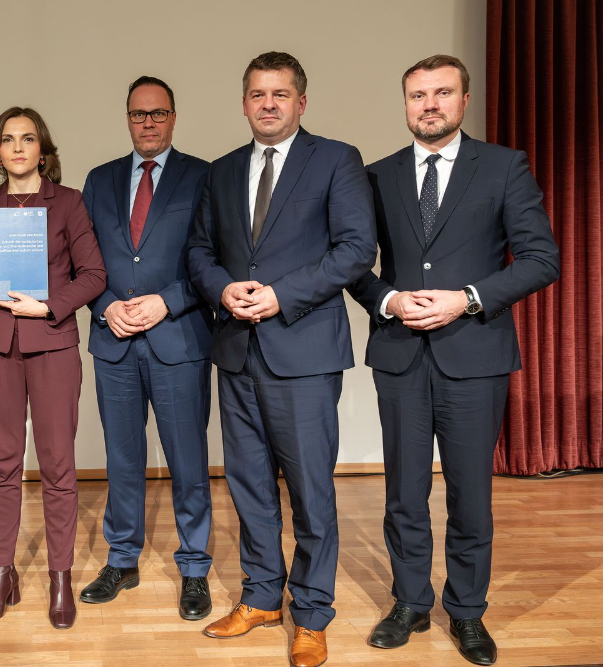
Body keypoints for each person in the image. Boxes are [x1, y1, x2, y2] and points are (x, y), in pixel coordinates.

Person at [347, 55, 560, 666]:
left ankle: (467, 612)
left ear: (465, 100)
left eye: (442, 92)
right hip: (400, 356)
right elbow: (353, 262)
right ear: (406, 103)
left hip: (476, 356)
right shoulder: (376, 175)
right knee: (403, 494)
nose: (429, 104)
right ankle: (410, 602)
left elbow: (542, 258)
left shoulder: (502, 167)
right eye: (417, 95)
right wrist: (387, 298)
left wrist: (467, 299)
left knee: (470, 496)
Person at [187, 52, 376, 667]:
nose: (268, 104)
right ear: (243, 103)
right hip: (237, 352)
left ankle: (313, 612)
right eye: (257, 94)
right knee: (247, 486)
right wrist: (223, 288)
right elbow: (199, 252)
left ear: (302, 103)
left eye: (281, 94)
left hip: (303, 351)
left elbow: (355, 250)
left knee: (311, 491)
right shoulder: (219, 172)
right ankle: (263, 594)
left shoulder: (336, 159)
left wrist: (279, 294)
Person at [0, 106, 106, 629]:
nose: (19, 148)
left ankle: (59, 578)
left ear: (43, 150)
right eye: (8, 140)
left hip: (51, 342)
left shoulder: (68, 202)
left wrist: (50, 304)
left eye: (28, 139)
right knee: (1, 465)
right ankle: (1, 574)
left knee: (57, 465)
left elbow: (94, 274)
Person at [79, 76, 214, 620]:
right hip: (114, 341)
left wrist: (169, 301)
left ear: (174, 117)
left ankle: (196, 567)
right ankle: (123, 559)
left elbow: (212, 259)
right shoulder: (99, 180)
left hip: (178, 339)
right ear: (128, 119)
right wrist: (104, 303)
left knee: (188, 461)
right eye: (139, 114)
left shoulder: (203, 177)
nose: (149, 123)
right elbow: (80, 259)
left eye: (158, 114)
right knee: (122, 459)